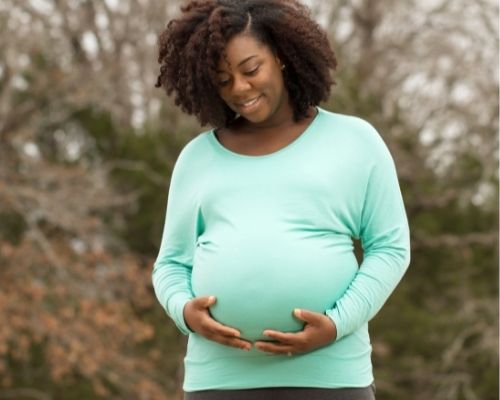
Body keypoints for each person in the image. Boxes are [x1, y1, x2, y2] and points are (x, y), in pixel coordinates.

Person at [152, 1, 411, 399]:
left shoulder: (355, 142)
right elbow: (170, 264)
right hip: (218, 381)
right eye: (223, 80)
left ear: (282, 57)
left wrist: (338, 324)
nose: (240, 88)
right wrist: (186, 313)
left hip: (331, 378)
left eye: (251, 69)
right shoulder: (197, 158)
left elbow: (390, 248)